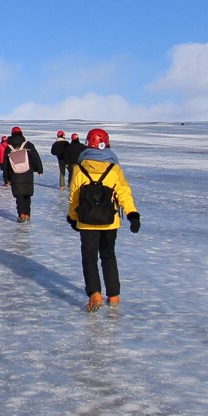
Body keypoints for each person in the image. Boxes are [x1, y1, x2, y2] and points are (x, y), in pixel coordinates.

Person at [66, 127, 140, 311]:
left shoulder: (79, 168)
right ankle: (113, 295)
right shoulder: (114, 169)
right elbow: (124, 193)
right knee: (108, 256)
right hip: (109, 221)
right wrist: (132, 214)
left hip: (86, 222)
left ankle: (95, 294)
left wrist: (73, 218)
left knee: (89, 258)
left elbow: (74, 197)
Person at [0, 126, 44, 222]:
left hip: (15, 175)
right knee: (27, 194)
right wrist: (40, 169)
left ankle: (21, 214)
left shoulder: (8, 148)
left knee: (19, 196)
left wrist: (6, 178)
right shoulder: (28, 145)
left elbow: (5, 164)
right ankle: (27, 214)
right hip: (27, 173)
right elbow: (36, 157)